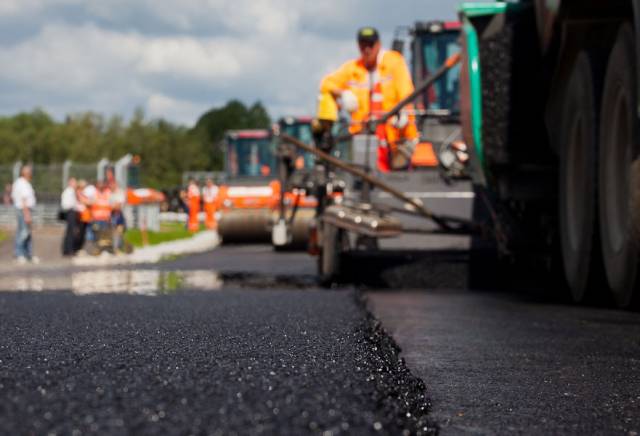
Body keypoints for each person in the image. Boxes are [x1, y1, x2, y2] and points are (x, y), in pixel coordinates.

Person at [317, 27, 419, 171]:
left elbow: (406, 91)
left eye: (371, 45)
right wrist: (342, 93)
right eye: (363, 45)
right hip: (363, 138)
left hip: (396, 138)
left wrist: (404, 111)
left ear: (378, 44)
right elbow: (326, 84)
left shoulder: (394, 62)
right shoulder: (353, 69)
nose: (367, 49)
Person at [11, 165, 38, 264]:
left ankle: (27, 254)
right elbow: (23, 199)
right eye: (29, 171)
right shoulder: (22, 183)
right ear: (25, 173)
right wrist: (27, 214)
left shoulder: (23, 183)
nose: (31, 173)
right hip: (24, 210)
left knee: (26, 232)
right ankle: (20, 254)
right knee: (23, 232)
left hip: (24, 210)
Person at [60, 177, 78, 256]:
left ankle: (67, 250)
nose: (75, 184)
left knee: (69, 232)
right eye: (74, 182)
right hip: (70, 212)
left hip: (71, 211)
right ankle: (69, 250)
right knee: (71, 232)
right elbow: (67, 204)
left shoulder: (71, 191)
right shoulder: (69, 191)